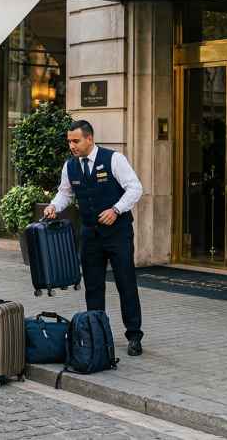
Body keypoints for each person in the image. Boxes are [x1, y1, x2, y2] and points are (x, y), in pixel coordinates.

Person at [44, 120, 145, 356]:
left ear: (90, 138)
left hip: (118, 232)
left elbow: (135, 188)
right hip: (90, 233)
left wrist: (116, 209)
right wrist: (53, 207)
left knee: (125, 283)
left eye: (76, 141)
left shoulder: (114, 159)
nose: (72, 145)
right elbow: (65, 193)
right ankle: (97, 334)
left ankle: (134, 335)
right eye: (69, 141)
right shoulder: (70, 166)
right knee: (93, 286)